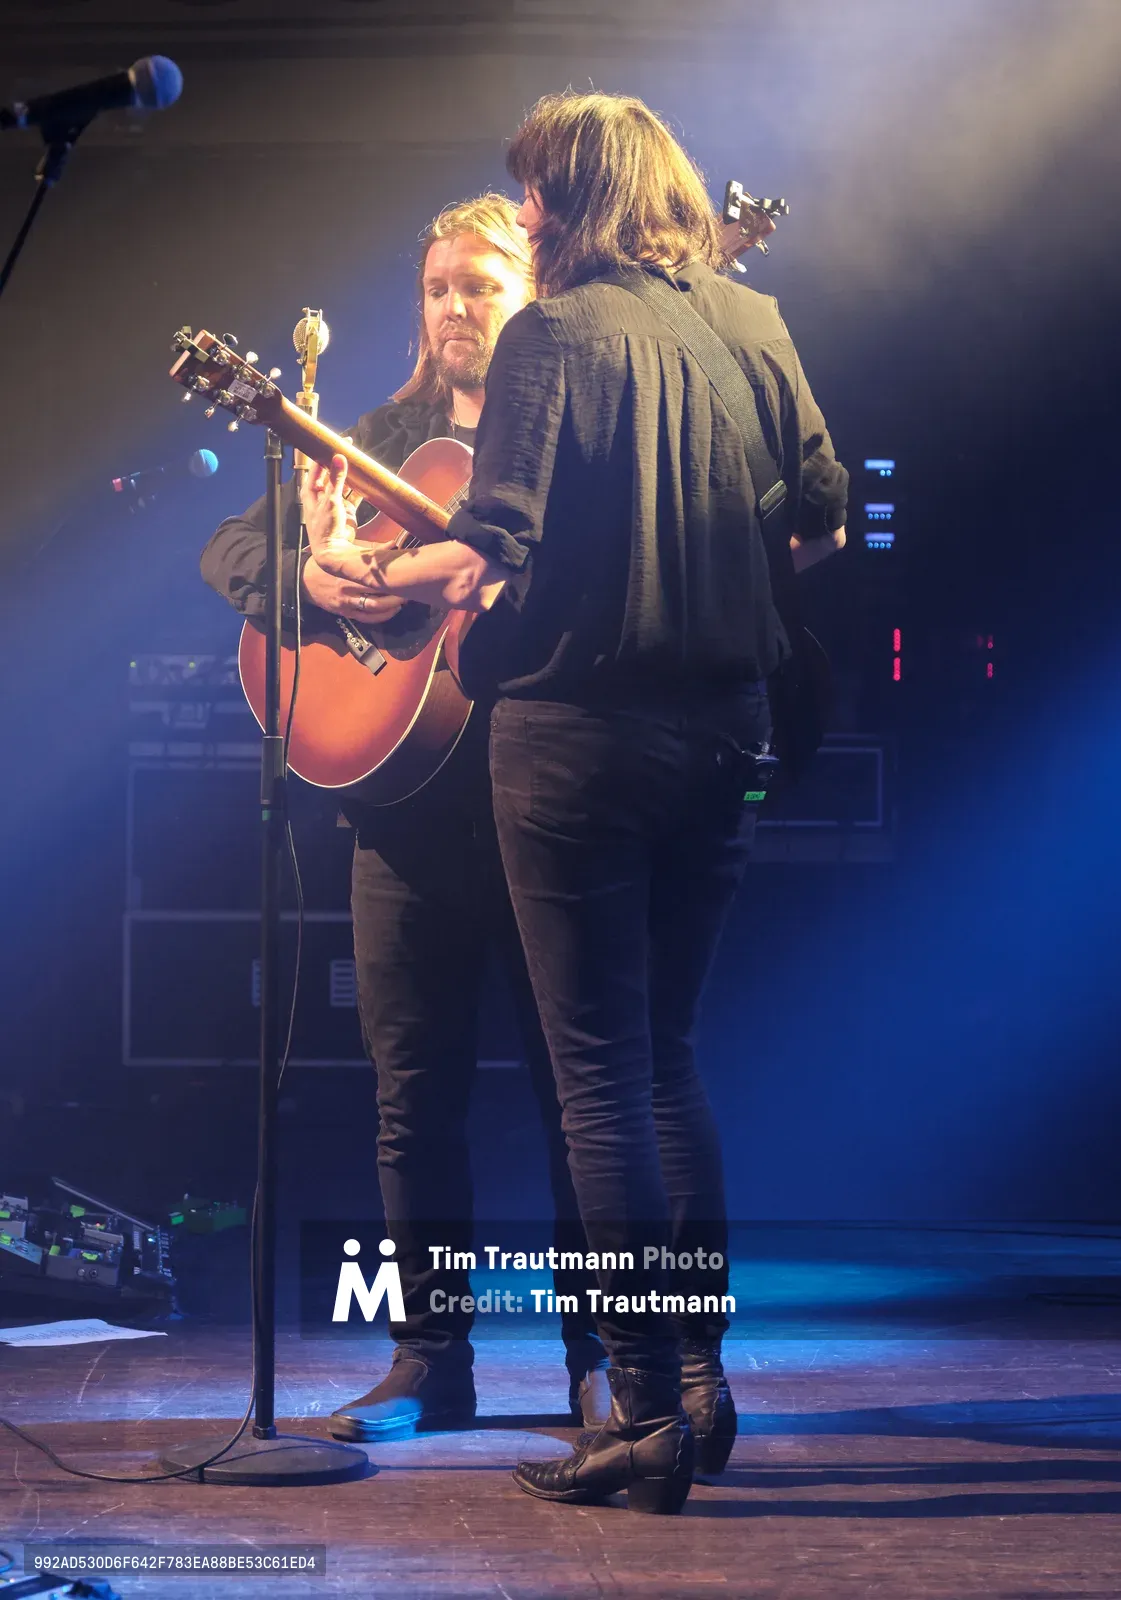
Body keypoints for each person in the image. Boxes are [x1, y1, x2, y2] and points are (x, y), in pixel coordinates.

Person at [301, 92, 850, 1512]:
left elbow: (492, 544)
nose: (529, 216)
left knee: (600, 1076)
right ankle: (702, 1386)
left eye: (538, 191)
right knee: (667, 1065)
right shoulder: (752, 320)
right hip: (724, 734)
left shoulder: (552, 334)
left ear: (577, 198)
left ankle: (644, 1410)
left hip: (577, 740)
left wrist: (369, 578)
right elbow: (822, 520)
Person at [200, 193, 610, 1442]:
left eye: (479, 284)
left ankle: (603, 1364)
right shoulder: (375, 437)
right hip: (403, 822)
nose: (452, 308)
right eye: (436, 287)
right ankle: (431, 1361)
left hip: (549, 808)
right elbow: (230, 552)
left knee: (580, 1101)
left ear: (533, 296)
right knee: (410, 1096)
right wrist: (312, 578)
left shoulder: (579, 434)